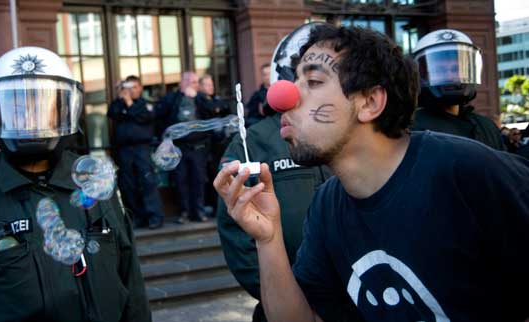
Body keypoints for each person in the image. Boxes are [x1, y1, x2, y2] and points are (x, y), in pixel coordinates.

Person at [214, 24, 529, 322]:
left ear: (370, 102)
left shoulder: (467, 172)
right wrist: (268, 239)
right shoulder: (327, 207)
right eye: (293, 81)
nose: (283, 98)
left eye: (312, 82)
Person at [0, 46, 151, 322]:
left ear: (65, 109)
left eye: (42, 107)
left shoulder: (94, 179)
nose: (30, 119)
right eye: (17, 109)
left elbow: (130, 278)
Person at [217, 23, 331, 322]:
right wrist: (279, 293)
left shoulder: (347, 134)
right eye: (308, 76)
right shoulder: (255, 140)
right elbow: (236, 231)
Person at [411, 29, 505, 150]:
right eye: (440, 70)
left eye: (456, 69)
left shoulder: (486, 126)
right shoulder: (413, 128)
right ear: (422, 76)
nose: (450, 76)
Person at [108, 75, 165, 229]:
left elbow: (144, 117)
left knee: (147, 182)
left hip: (142, 148)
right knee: (128, 184)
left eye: (134, 87)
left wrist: (129, 103)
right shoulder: (119, 104)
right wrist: (121, 99)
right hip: (124, 150)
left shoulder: (145, 105)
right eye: (128, 87)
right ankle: (137, 217)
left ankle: (154, 216)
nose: (130, 90)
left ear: (140, 88)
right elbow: (112, 113)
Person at [156, 71, 211, 223]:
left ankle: (198, 211)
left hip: (198, 147)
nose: (190, 84)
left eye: (193, 82)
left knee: (198, 180)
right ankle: (184, 212)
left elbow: (211, 111)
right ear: (180, 83)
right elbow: (160, 114)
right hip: (179, 147)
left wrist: (196, 97)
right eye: (187, 81)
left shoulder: (200, 97)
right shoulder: (172, 98)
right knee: (180, 181)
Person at [196, 74, 232, 214]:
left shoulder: (216, 98)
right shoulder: (198, 100)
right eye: (207, 85)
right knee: (210, 176)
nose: (211, 87)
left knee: (222, 173)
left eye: (212, 84)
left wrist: (217, 108)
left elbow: (225, 108)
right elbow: (209, 109)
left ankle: (221, 205)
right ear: (200, 86)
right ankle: (213, 206)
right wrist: (216, 109)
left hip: (219, 146)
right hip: (206, 146)